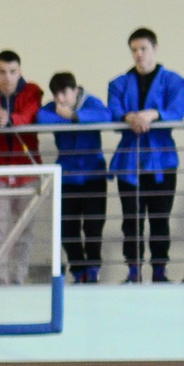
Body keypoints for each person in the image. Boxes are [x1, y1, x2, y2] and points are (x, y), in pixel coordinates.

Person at [106, 29, 184, 284]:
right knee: (132, 219)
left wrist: (151, 114)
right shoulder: (118, 83)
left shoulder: (173, 81)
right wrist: (131, 118)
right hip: (130, 161)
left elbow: (177, 110)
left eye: (143, 49)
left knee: (160, 218)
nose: (139, 54)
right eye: (134, 50)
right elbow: (114, 112)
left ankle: (160, 271)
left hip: (162, 160)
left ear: (155, 48)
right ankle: (134, 271)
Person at [0, 50, 45, 283]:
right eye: (2, 72)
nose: (7, 78)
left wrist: (9, 119)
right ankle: (0, 277)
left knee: (24, 231)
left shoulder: (32, 91)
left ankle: (19, 276)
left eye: (12, 72)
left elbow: (30, 114)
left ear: (19, 72)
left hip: (27, 170)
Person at [37, 71, 113, 283]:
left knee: (93, 226)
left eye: (64, 93)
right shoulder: (54, 108)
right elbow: (41, 117)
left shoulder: (90, 102)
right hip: (68, 177)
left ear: (76, 90)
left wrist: (74, 117)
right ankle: (78, 271)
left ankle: (93, 269)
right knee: (67, 228)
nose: (60, 99)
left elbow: (106, 116)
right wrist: (65, 115)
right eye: (56, 95)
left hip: (93, 176)